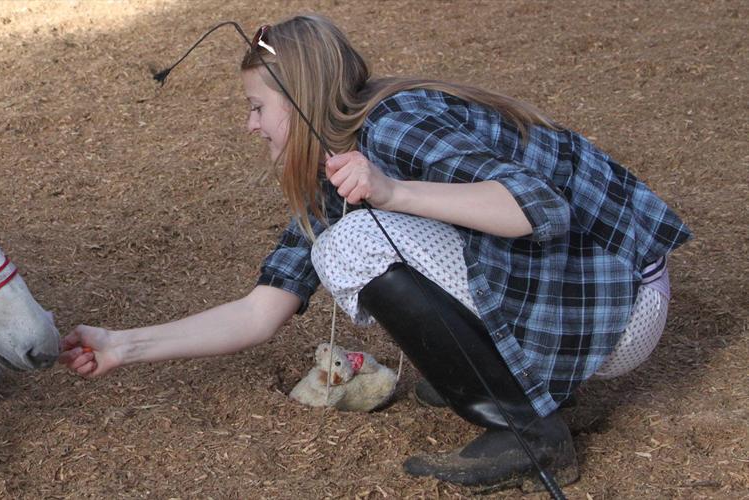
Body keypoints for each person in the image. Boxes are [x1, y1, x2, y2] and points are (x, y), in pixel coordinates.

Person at [58, 14, 691, 491]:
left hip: (621, 301)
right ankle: (514, 377)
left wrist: (391, 190)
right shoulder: (329, 175)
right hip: (579, 290)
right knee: (350, 235)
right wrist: (124, 345)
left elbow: (538, 209)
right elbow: (259, 312)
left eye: (257, 107)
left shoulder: (393, 123)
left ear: (300, 98)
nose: (250, 126)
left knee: (357, 242)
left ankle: (530, 433)